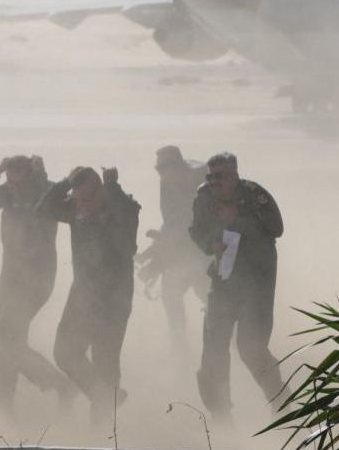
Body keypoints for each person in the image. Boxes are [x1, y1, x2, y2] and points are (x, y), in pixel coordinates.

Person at [37, 165, 141, 424]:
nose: (82, 205)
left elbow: (128, 243)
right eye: (77, 199)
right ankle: (105, 398)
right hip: (82, 293)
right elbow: (43, 209)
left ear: (101, 193)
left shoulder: (120, 208)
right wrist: (66, 181)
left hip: (113, 299)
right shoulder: (75, 209)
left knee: (106, 364)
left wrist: (113, 188)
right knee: (64, 352)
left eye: (88, 199)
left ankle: (103, 433)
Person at [190, 151, 285, 423]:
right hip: (223, 279)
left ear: (234, 175)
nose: (213, 182)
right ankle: (220, 413)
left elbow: (276, 229)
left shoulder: (255, 196)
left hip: (257, 281)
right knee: (213, 348)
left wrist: (238, 220)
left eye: (220, 176)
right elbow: (195, 230)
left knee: (251, 348)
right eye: (210, 176)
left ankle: (280, 400)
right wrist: (211, 245)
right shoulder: (203, 197)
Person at [0, 155, 74, 413]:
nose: (15, 188)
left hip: (37, 278)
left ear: (31, 179)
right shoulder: (8, 193)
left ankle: (55, 385)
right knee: (5, 343)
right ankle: (3, 406)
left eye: (20, 183)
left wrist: (41, 176)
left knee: (2, 338)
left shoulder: (44, 192)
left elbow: (54, 197)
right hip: (10, 277)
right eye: (11, 183)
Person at [136, 146, 210, 341]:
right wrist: (157, 244)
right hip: (179, 255)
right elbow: (172, 222)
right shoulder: (168, 182)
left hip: (201, 255)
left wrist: (153, 252)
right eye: (157, 167)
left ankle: (236, 343)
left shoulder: (197, 186)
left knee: (211, 301)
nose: (159, 171)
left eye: (163, 167)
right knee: (170, 296)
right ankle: (178, 346)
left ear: (177, 165)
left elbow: (186, 226)